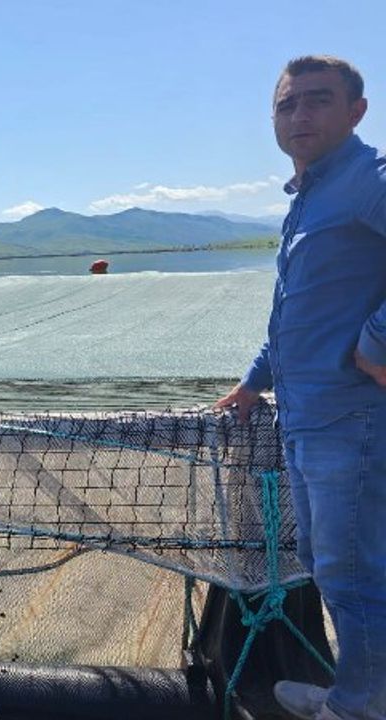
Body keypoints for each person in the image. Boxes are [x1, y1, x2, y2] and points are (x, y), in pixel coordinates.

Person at [215, 56, 386, 720]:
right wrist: (253, 381)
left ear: (356, 111)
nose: (299, 115)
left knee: (353, 571)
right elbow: (297, 310)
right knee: (325, 559)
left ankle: (358, 707)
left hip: (353, 419)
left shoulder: (368, 179)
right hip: (306, 419)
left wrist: (377, 343)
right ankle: (358, 691)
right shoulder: (312, 194)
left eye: (317, 100)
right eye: (287, 105)